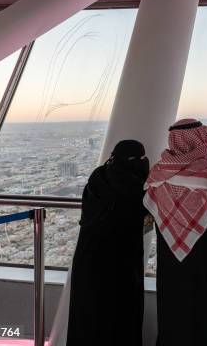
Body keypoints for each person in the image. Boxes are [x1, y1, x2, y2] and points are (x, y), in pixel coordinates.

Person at [144, 119, 207, 346]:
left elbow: (148, 209)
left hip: (173, 261)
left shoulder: (158, 174)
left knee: (175, 315)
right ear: (200, 141)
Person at [67, 140, 150, 346]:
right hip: (120, 263)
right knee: (118, 318)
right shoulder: (136, 186)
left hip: (88, 258)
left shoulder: (98, 175)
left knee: (88, 315)